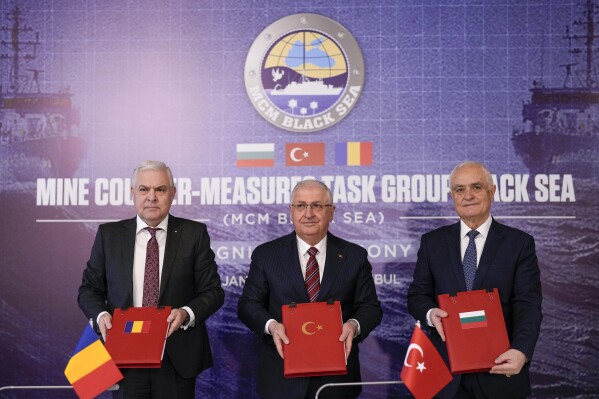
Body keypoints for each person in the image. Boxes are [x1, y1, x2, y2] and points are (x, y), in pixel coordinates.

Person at [78, 160, 225, 399]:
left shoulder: (194, 234)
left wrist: (186, 312)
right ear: (133, 193)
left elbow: (213, 291)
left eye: (161, 189)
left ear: (173, 193)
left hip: (176, 357)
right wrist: (102, 316)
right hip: (124, 355)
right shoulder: (109, 235)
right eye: (144, 189)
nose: (152, 197)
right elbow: (88, 290)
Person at [407, 161, 543, 398]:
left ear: (492, 192)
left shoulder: (519, 243)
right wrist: (430, 313)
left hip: (500, 372)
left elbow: (528, 305)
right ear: (452, 196)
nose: (467, 195)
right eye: (460, 189)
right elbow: (418, 294)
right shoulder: (432, 243)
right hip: (445, 377)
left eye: (476, 187)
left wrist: (521, 351)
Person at [238, 179, 383, 399]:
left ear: (331, 212)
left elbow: (370, 308)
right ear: (291, 211)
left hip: (337, 380)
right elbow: (248, 305)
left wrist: (353, 326)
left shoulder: (355, 256)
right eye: (300, 205)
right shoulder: (266, 255)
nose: (308, 213)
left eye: (317, 205)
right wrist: (272, 326)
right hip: (282, 377)